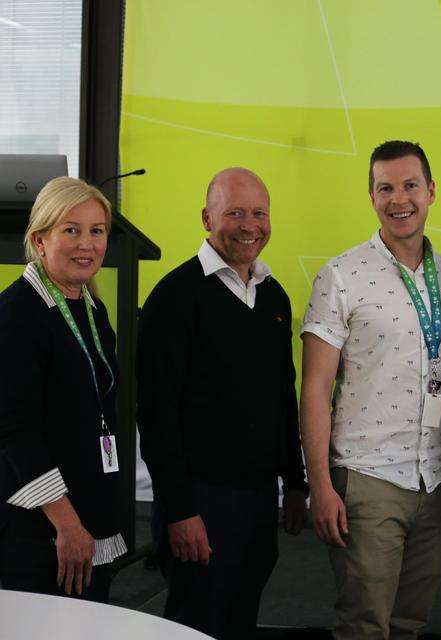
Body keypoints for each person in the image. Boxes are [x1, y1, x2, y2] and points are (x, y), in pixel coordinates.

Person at [300, 140, 441, 639]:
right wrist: (320, 486)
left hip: (437, 481)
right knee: (364, 627)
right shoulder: (341, 275)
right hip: (366, 478)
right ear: (371, 197)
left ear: (432, 191)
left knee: (409, 624)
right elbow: (314, 391)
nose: (400, 199)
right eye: (385, 188)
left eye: (410, 185)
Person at [137, 167, 308, 640]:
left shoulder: (273, 295)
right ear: (207, 217)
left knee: (239, 619)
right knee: (196, 624)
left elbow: (281, 396)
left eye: (259, 213)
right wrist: (179, 511)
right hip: (199, 502)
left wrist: (295, 482)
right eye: (234, 212)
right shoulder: (174, 297)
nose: (249, 224)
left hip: (257, 499)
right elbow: (156, 417)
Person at [0, 177, 124, 602]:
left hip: (86, 520)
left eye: (97, 230)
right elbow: (13, 431)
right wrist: (67, 525)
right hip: (40, 532)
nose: (86, 244)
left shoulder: (90, 307)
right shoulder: (17, 312)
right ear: (39, 239)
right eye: (71, 230)